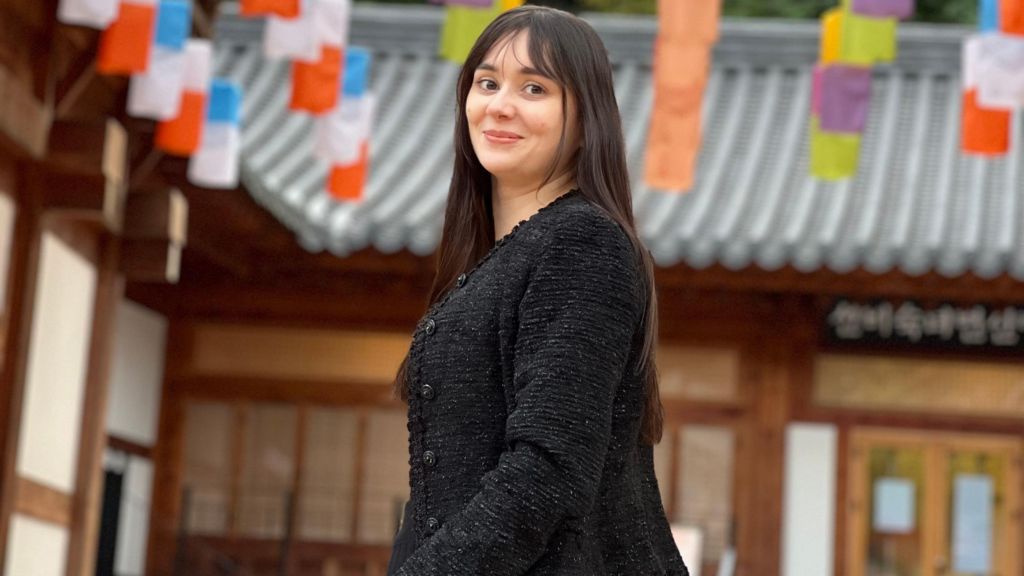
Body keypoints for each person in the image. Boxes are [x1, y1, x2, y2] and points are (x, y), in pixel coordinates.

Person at [386, 6, 687, 575]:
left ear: (585, 118)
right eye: (488, 82)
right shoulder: (490, 260)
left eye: (535, 87)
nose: (501, 103)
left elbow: (548, 468)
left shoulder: (582, 243)